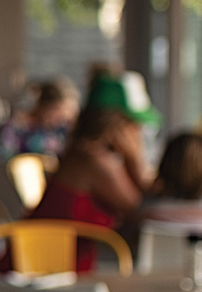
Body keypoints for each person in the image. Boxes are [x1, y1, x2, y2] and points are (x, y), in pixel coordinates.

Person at [21, 73, 155, 272]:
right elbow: (142, 211)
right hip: (42, 273)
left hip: (48, 266)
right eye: (134, 124)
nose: (139, 132)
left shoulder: (81, 151)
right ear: (116, 123)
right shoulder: (95, 161)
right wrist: (135, 159)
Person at [0, 78, 77, 161]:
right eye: (58, 115)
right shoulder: (16, 129)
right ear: (46, 107)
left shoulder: (57, 131)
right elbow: (1, 159)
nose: (60, 121)